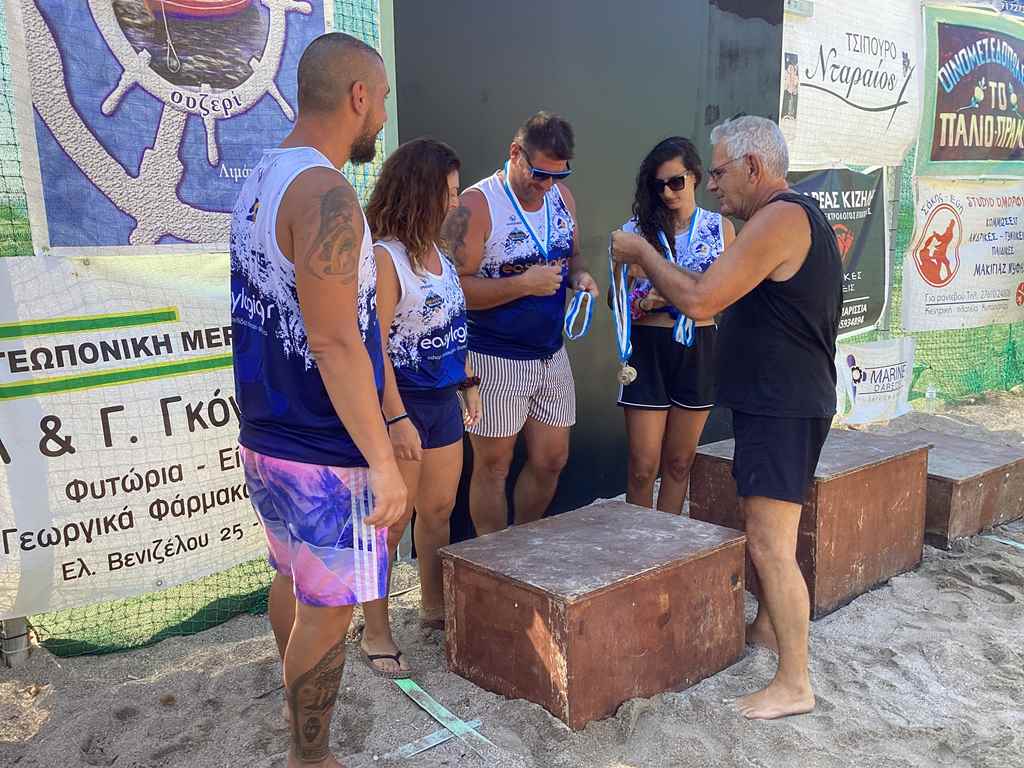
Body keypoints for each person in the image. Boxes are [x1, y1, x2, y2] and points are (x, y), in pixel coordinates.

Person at [611, 115, 842, 720]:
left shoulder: (779, 219)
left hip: (781, 405)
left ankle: (794, 681)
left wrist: (642, 254)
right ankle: (766, 628)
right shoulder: (790, 217)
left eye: (716, 172)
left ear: (754, 167)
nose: (710, 184)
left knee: (770, 544)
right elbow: (714, 289)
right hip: (782, 402)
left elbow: (700, 299)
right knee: (771, 536)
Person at [230, 32, 404, 768]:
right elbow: (335, 343)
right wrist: (383, 461)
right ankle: (310, 758)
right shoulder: (328, 194)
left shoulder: (263, 174)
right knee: (331, 613)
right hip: (323, 449)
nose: (383, 117)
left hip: (269, 437)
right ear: (358, 96)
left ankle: (299, 722)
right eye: (382, 100)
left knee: (295, 583)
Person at [358, 138, 482, 675]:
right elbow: (374, 347)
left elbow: (453, 327)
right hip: (402, 405)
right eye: (448, 192)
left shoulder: (440, 255)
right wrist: (395, 417)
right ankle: (376, 630)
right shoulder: (385, 258)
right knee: (391, 522)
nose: (456, 202)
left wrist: (468, 381)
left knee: (438, 511)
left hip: (442, 402)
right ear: (419, 191)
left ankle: (434, 608)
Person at [441, 112, 598, 535]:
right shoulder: (476, 205)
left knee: (552, 460)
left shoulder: (562, 197)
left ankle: (523, 543)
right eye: (539, 173)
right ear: (515, 153)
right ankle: (493, 560)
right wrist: (524, 284)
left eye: (558, 175)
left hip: (551, 352)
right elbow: (450, 289)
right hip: (493, 355)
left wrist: (580, 277)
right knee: (493, 467)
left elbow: (573, 256)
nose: (546, 185)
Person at [616, 137, 734, 513]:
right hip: (647, 348)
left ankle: (666, 541)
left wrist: (670, 292)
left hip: (699, 345)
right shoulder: (635, 232)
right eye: (659, 186)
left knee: (680, 463)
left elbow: (725, 296)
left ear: (695, 176)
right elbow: (615, 301)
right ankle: (638, 543)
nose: (668, 193)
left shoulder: (720, 229)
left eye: (676, 182)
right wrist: (639, 299)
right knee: (642, 467)